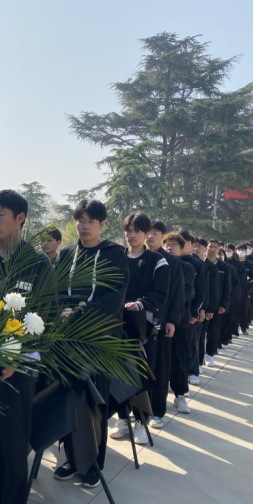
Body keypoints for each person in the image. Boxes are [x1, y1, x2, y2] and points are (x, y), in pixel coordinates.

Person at [0, 190, 56, 504]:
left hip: (16, 375)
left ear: (20, 218)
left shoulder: (38, 265)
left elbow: (48, 322)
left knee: (13, 450)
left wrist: (19, 360)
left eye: (0, 214)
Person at [55, 199, 129, 488]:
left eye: (91, 221)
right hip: (67, 339)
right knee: (68, 399)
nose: (84, 226)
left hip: (100, 340)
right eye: (80, 220)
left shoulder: (114, 254)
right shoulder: (66, 254)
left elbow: (114, 298)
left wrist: (80, 311)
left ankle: (94, 464)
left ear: (102, 224)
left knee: (95, 403)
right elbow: (55, 290)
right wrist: (60, 312)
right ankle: (72, 459)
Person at [109, 212, 169, 446]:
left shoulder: (157, 261)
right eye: (128, 230)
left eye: (137, 231)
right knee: (118, 374)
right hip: (117, 325)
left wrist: (141, 304)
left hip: (144, 328)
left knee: (141, 374)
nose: (131, 235)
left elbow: (160, 293)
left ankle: (141, 421)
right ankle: (122, 419)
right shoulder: (116, 257)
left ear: (146, 233)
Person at [146, 221, 186, 428]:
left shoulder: (171, 262)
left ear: (162, 236)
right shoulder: (136, 257)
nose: (150, 236)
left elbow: (178, 293)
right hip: (138, 323)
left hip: (162, 323)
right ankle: (133, 413)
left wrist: (172, 320)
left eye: (155, 232)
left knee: (160, 367)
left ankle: (156, 411)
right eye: (147, 232)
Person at [163, 233, 196, 416]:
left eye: (174, 245)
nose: (170, 248)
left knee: (179, 359)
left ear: (182, 249)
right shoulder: (158, 263)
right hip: (160, 320)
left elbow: (189, 293)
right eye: (167, 244)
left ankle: (180, 395)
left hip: (180, 321)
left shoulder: (187, 268)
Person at [178, 230, 207, 389]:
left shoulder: (197, 265)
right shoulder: (171, 261)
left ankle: (193, 372)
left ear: (190, 244)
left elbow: (201, 290)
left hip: (191, 311)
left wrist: (198, 310)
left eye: (185, 242)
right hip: (175, 311)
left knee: (192, 342)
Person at [191, 238, 218, 384]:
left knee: (199, 337)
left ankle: (197, 364)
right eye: (194, 246)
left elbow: (210, 290)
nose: (196, 249)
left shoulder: (209, 267)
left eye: (199, 247)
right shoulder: (188, 263)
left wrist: (207, 308)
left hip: (202, 307)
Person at [203, 240, 231, 367]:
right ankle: (200, 357)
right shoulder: (202, 263)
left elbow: (227, 287)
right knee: (200, 333)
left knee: (214, 331)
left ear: (219, 249)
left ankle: (210, 354)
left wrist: (224, 305)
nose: (212, 249)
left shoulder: (224, 267)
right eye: (210, 247)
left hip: (217, 305)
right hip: (203, 304)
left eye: (215, 247)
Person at [223, 244, 246, 344]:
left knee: (232, 315)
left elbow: (240, 280)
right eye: (225, 250)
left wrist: (230, 289)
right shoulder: (222, 263)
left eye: (229, 250)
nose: (227, 252)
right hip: (222, 294)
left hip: (234, 294)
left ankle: (230, 334)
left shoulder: (238, 264)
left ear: (233, 251)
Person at [236, 244, 253, 335]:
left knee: (244, 310)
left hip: (245, 291)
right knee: (234, 311)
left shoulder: (249, 263)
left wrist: (248, 281)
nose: (240, 251)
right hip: (234, 291)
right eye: (239, 250)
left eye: (242, 250)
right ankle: (234, 329)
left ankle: (243, 327)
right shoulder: (234, 263)